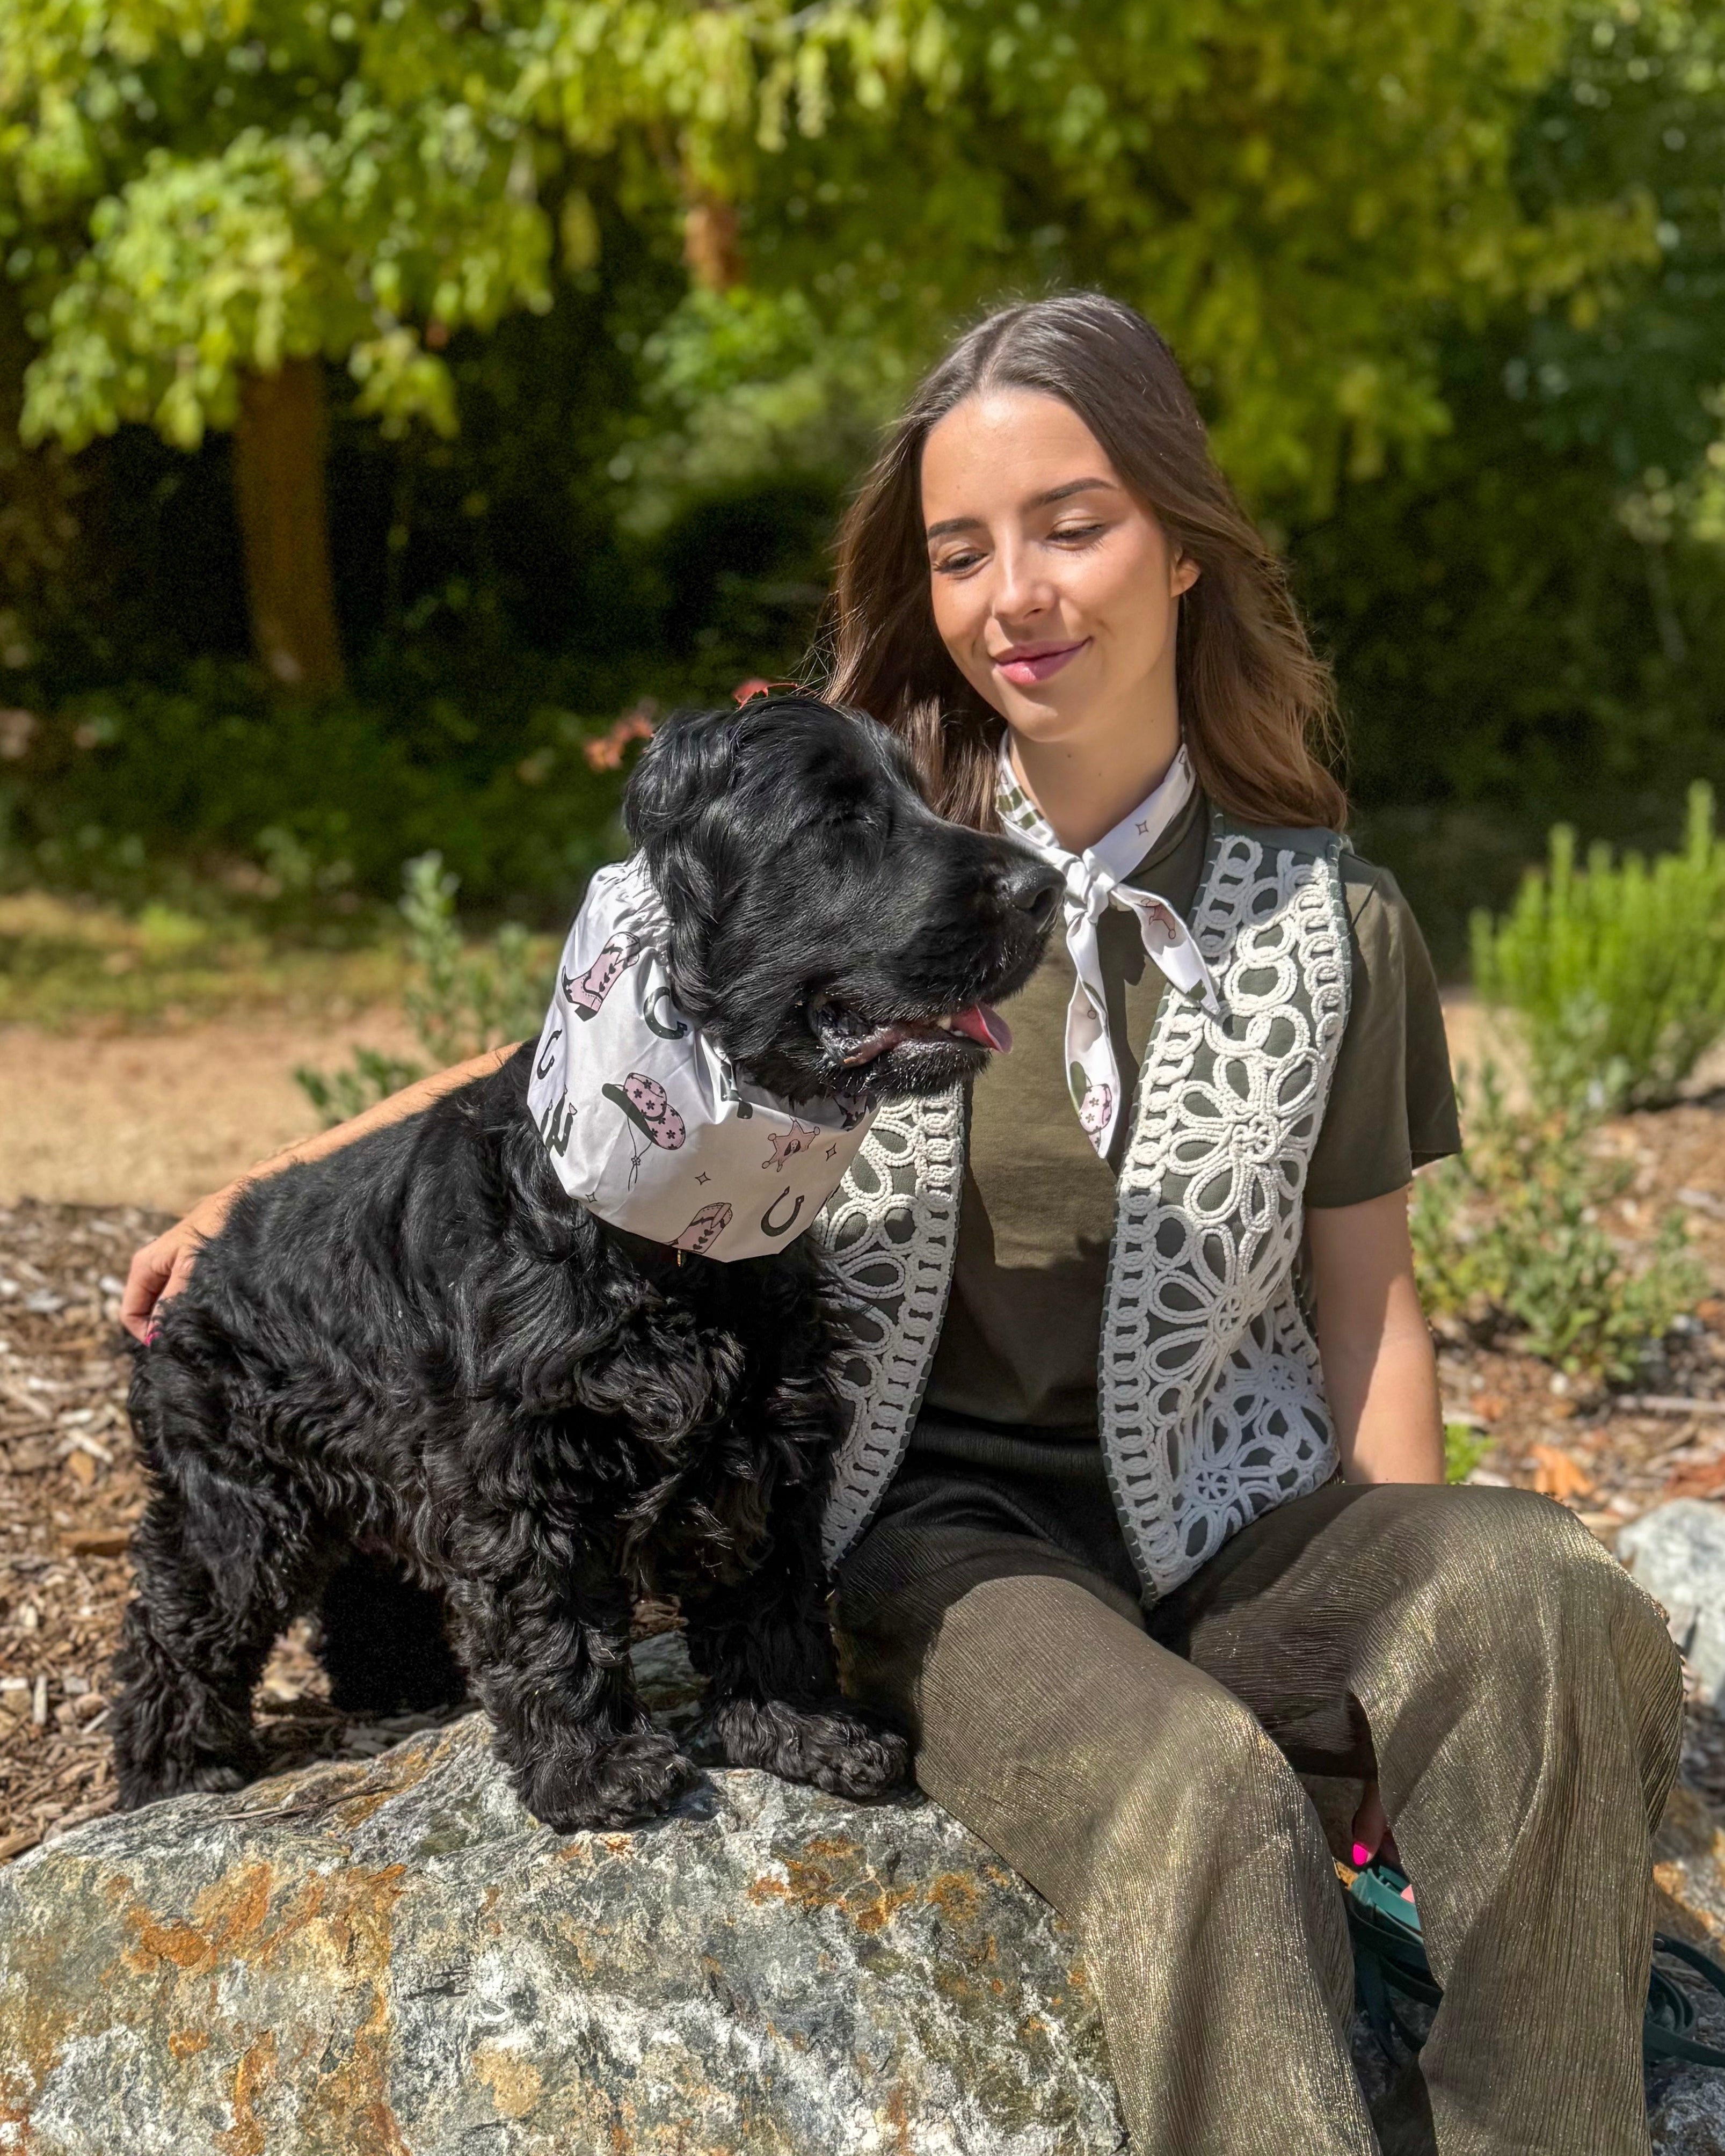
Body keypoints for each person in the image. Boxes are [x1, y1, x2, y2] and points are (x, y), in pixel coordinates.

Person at [124, 293, 1682, 2155]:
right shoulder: (861, 843)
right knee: (1199, 1794)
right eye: (960, 552)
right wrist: (246, 1199)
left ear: (1183, 543)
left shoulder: (1333, 926)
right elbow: (591, 1050)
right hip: (943, 1548)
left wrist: (1393, 1679)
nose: (1014, 594)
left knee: (1535, 1592)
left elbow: (1373, 1314)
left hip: (1235, 1529)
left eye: (1072, 525)